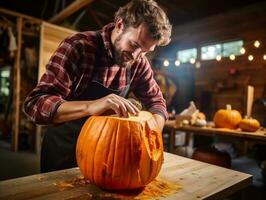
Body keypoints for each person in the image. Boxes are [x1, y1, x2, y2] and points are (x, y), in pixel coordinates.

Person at [24, 0, 172, 173]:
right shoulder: (78, 47)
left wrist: (151, 133)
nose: (136, 56)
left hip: (108, 159)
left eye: (145, 51)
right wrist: (90, 106)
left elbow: (157, 103)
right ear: (119, 25)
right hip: (65, 153)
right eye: (134, 45)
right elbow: (35, 104)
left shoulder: (139, 62)